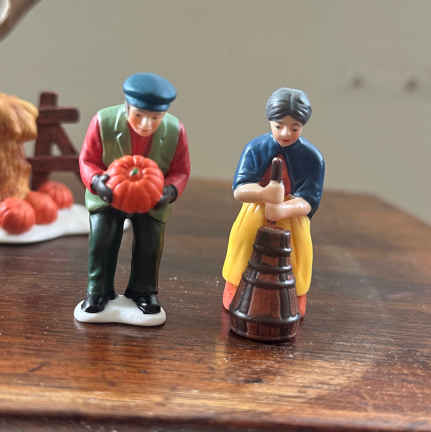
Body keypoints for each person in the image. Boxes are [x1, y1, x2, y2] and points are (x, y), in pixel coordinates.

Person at [79, 73, 190, 315]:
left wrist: (169, 190)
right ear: (127, 106)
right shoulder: (103, 122)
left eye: (155, 118)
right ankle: (98, 289)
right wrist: (97, 181)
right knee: (102, 239)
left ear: (164, 114)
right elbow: (87, 160)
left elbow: (180, 170)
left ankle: (143, 290)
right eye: (139, 115)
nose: (146, 124)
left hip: (152, 198)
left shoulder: (175, 130)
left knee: (150, 243)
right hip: (110, 194)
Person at [222, 87, 325, 317]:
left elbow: (309, 200)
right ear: (270, 121)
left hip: (291, 217)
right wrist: (264, 193)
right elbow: (240, 190)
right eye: (279, 126)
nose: (286, 133)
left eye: (294, 128)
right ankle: (235, 292)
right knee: (243, 246)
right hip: (256, 210)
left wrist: (284, 209)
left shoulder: (313, 158)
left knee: (297, 257)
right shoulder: (255, 148)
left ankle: (293, 301)